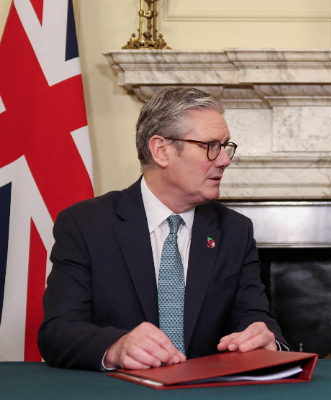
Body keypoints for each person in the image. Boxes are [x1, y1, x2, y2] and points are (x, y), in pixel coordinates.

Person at [38, 87, 289, 371]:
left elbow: (255, 318)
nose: (224, 160)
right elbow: (58, 331)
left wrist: (267, 342)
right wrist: (115, 348)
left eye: (225, 146)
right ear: (161, 150)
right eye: (211, 146)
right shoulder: (86, 225)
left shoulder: (234, 230)